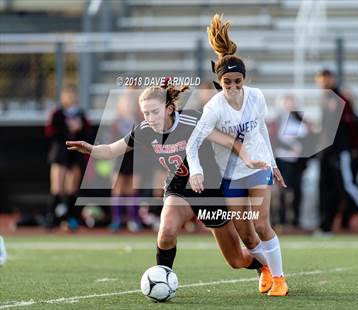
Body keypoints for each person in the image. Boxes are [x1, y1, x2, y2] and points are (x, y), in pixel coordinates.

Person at [67, 83, 268, 279]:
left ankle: (265, 265)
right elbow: (112, 149)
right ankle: (162, 279)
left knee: (235, 260)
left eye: (154, 112)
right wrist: (91, 149)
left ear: (169, 108)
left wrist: (249, 160)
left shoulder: (192, 121)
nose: (149, 118)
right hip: (178, 187)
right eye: (145, 113)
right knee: (166, 231)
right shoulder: (144, 130)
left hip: (208, 190)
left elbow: (230, 141)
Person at [186, 14, 289, 297]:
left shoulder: (256, 97)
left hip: (257, 166)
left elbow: (263, 132)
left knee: (260, 223)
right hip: (230, 173)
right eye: (227, 82)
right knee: (245, 232)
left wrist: (274, 163)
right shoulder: (214, 108)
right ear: (220, 82)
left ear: (244, 79)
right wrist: (195, 170)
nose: (232, 87)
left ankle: (279, 279)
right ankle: (266, 269)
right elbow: (192, 144)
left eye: (237, 81)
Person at [314, 69, 358, 235]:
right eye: (321, 80)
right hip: (327, 152)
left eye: (326, 79)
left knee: (348, 187)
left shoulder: (341, 98)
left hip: (339, 151)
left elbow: (351, 125)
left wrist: (352, 148)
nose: (324, 82)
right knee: (327, 189)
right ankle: (326, 227)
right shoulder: (325, 99)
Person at [45, 83, 91, 230]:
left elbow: (88, 133)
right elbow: (51, 132)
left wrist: (79, 127)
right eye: (66, 95)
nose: (69, 98)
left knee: (72, 189)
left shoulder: (81, 115)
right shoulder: (57, 113)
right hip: (60, 154)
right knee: (57, 188)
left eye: (72, 94)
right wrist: (68, 128)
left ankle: (71, 218)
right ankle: (52, 219)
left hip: (75, 156)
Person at [272, 95, 310, 228]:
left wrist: (301, 148)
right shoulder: (279, 120)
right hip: (283, 160)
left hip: (298, 162)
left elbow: (307, 137)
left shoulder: (300, 119)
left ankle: (296, 220)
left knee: (298, 190)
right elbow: (275, 139)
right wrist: (290, 147)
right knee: (282, 191)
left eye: (291, 102)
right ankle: (281, 220)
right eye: (287, 102)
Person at [108, 88, 142, 232]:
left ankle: (133, 219)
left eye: (130, 103)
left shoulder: (139, 120)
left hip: (135, 157)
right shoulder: (116, 122)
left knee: (132, 187)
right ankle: (117, 219)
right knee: (118, 186)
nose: (127, 105)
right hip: (119, 158)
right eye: (124, 103)